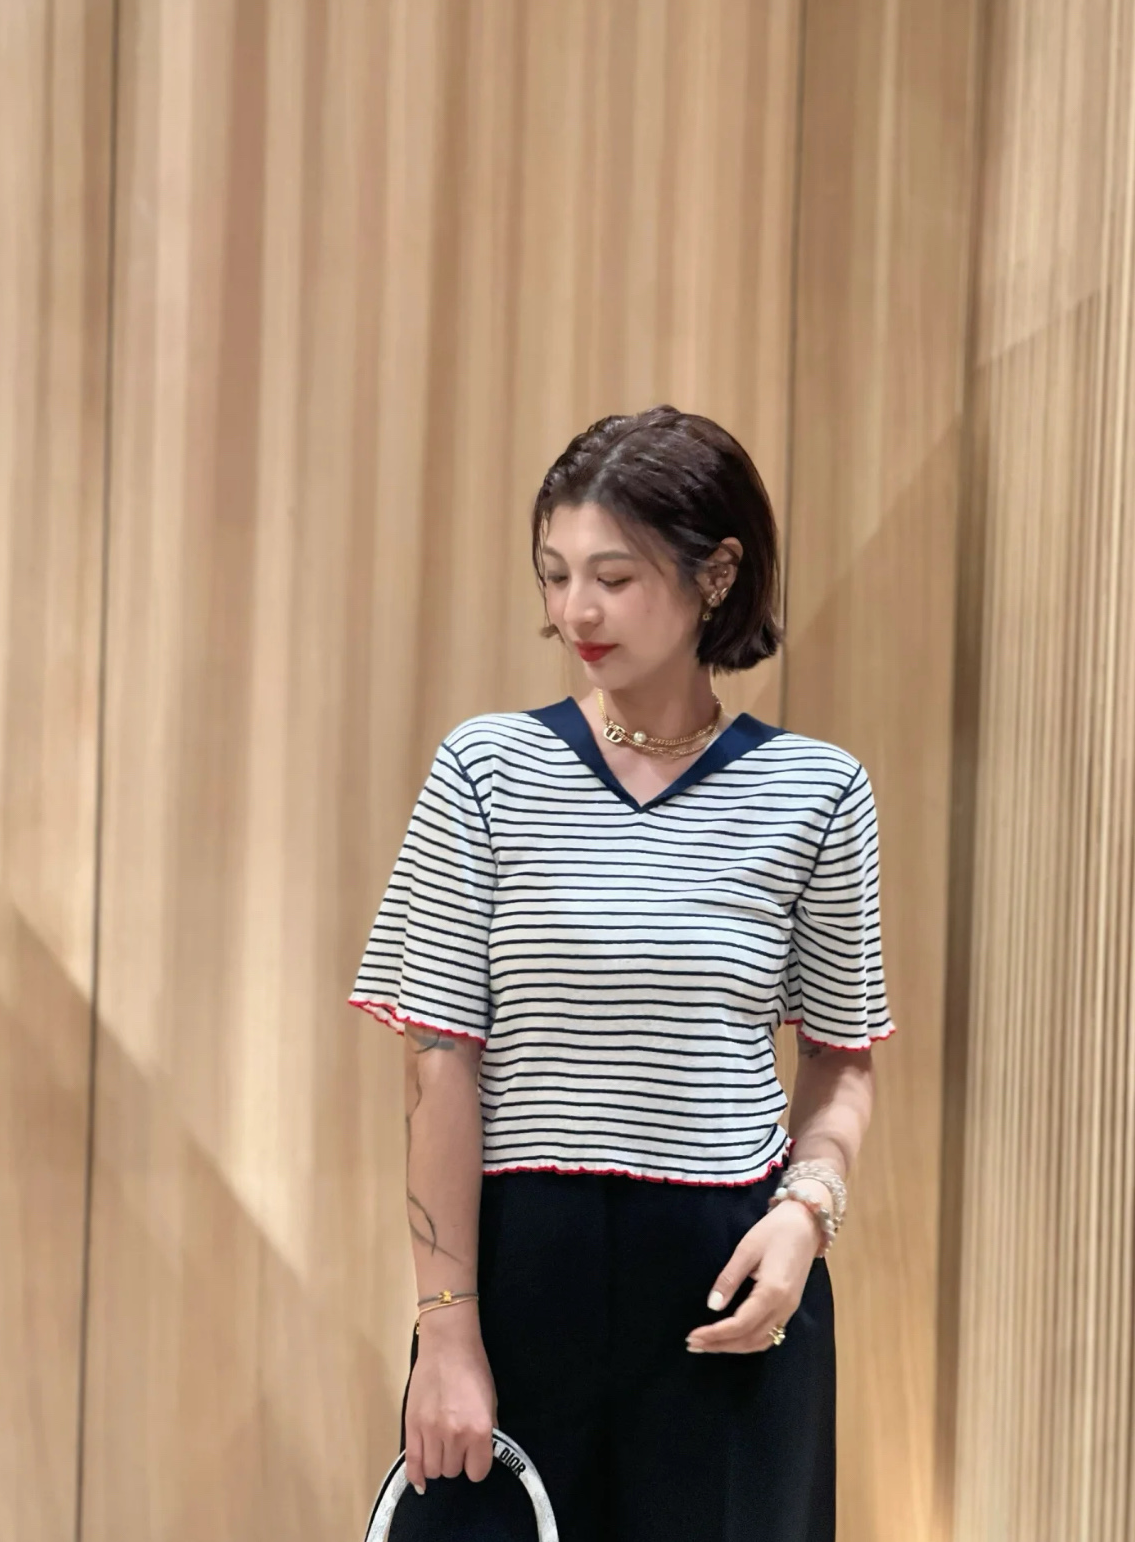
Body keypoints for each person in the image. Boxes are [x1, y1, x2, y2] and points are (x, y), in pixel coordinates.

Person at [349, 405, 895, 1542]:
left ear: (715, 576)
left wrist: (805, 1219)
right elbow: (437, 1061)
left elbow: (841, 1060)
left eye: (613, 577)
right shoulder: (486, 769)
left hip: (728, 1290)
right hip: (519, 1278)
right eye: (554, 576)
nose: (574, 612)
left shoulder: (819, 792)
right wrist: (446, 1334)